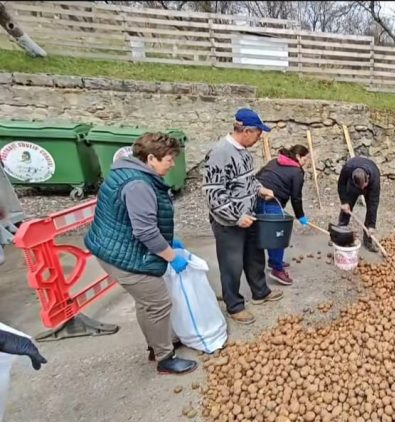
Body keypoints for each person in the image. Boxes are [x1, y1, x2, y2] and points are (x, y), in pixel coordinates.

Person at [84, 132, 197, 375]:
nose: (172, 164)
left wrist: (167, 241)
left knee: (147, 303)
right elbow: (145, 231)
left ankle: (156, 345)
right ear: (151, 159)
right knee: (158, 303)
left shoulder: (125, 170)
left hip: (113, 246)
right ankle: (165, 358)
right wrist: (170, 255)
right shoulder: (138, 185)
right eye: (169, 159)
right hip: (123, 255)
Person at [204, 108, 282, 325]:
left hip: (250, 214)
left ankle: (260, 291)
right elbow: (214, 194)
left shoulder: (244, 152)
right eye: (258, 133)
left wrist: (260, 189)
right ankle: (234, 305)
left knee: (255, 255)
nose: (260, 137)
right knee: (232, 264)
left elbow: (247, 179)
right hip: (229, 222)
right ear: (246, 131)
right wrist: (236, 217)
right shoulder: (220, 154)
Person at [255, 145, 311, 285]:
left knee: (271, 232)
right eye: (305, 159)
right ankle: (277, 269)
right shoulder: (297, 172)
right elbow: (296, 197)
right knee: (278, 234)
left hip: (255, 199)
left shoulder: (275, 161)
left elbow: (257, 177)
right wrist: (300, 216)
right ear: (297, 157)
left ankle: (274, 261)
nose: (306, 162)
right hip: (270, 202)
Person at [337, 156, 381, 252]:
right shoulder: (348, 168)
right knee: (346, 210)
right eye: (360, 187)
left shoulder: (374, 178)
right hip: (352, 188)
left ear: (367, 177)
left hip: (370, 189)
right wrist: (344, 202)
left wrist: (372, 225)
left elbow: (373, 204)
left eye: (364, 186)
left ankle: (368, 240)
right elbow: (341, 184)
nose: (362, 189)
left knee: (370, 212)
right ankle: (338, 236)